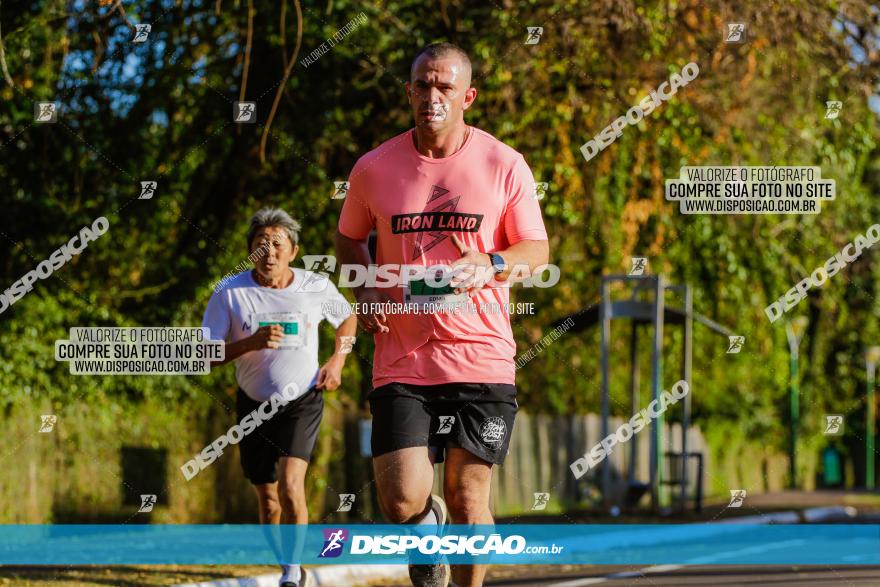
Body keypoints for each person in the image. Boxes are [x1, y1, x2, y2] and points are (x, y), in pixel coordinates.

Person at [335, 42, 549, 587]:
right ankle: (424, 528)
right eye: (423, 86)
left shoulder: (505, 164)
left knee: (467, 495)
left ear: (467, 96)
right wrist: (366, 292)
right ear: (409, 92)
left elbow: (536, 252)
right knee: (401, 500)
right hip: (403, 361)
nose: (432, 97)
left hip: (481, 358)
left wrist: (493, 262)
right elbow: (348, 240)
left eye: (445, 87)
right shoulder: (373, 168)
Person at [203, 208, 357, 587]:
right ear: (249, 251)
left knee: (291, 485)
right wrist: (250, 342)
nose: (268, 252)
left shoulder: (313, 286)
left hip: (301, 401)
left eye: (277, 244)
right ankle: (286, 562)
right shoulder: (229, 292)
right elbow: (206, 354)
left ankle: (291, 575)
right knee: (268, 501)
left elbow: (348, 319)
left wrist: (337, 360)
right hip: (252, 405)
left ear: (293, 251)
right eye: (260, 245)